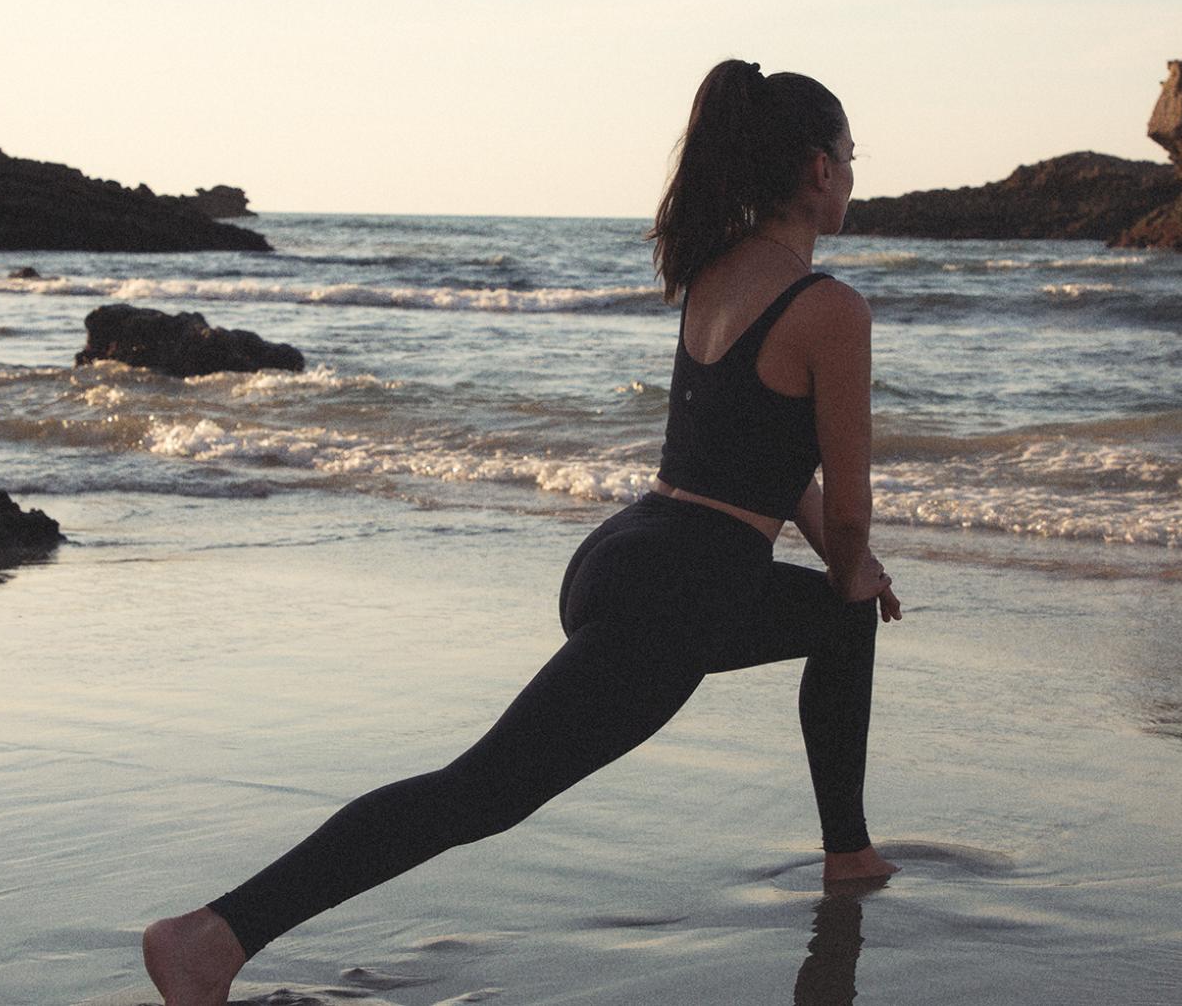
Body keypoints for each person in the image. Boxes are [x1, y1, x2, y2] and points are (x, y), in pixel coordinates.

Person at [143, 59, 902, 1005]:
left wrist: (849, 574)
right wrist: (854, 555)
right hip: (683, 591)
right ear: (821, 170)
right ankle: (211, 936)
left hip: (631, 552)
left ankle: (848, 852)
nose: (855, 178)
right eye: (852, 157)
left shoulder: (717, 271)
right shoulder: (831, 307)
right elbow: (851, 499)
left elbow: (776, 466)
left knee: (839, 620)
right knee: (481, 792)